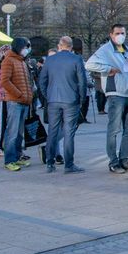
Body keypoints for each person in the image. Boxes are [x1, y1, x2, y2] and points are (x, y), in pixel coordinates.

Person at [86, 24, 128, 174]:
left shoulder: (127, 49)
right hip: (116, 93)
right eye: (117, 33)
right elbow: (90, 64)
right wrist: (108, 69)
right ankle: (113, 161)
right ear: (111, 34)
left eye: (123, 33)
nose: (120, 35)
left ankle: (124, 158)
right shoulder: (105, 50)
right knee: (114, 129)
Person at [38, 36, 87, 173]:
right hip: (71, 99)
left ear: (59, 46)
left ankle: (49, 163)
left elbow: (42, 81)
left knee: (52, 131)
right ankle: (69, 165)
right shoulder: (76, 59)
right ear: (71, 47)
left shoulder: (50, 60)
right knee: (69, 132)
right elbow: (82, 81)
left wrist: (48, 96)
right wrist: (82, 98)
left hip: (53, 99)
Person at [0, 37, 34, 171]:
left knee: (20, 133)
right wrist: (19, 94)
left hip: (24, 101)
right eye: (25, 47)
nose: (27, 50)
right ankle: (9, 159)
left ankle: (18, 156)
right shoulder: (9, 60)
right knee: (12, 132)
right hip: (15, 101)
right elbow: (5, 81)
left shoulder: (22, 62)